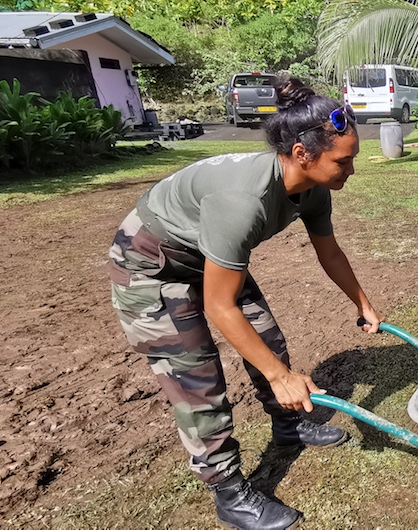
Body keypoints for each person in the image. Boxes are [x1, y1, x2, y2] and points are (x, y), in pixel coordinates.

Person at [108, 77, 383, 530]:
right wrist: (281, 377)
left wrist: (363, 303)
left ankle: (289, 427)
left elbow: (328, 251)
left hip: (207, 251)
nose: (351, 170)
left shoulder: (313, 188)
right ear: (302, 154)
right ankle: (229, 492)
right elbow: (220, 308)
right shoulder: (243, 200)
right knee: (196, 376)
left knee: (268, 341)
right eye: (344, 160)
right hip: (151, 263)